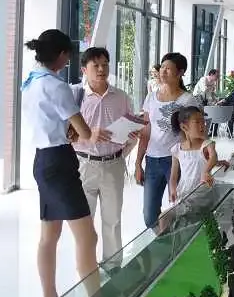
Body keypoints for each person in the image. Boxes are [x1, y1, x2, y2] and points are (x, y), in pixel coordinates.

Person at [22, 29, 108, 297]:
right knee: (87, 237)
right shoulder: (56, 86)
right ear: (61, 55)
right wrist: (94, 132)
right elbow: (84, 131)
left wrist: (71, 131)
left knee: (50, 235)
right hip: (59, 163)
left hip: (42, 161)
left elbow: (52, 123)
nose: (68, 60)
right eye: (68, 55)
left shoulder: (31, 81)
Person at [72, 47, 139, 274]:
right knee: (84, 221)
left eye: (105, 64)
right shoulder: (76, 97)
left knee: (113, 219)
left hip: (113, 164)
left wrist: (123, 149)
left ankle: (112, 265)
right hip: (83, 165)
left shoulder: (121, 97)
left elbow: (131, 129)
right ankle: (87, 267)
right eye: (96, 65)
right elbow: (66, 134)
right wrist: (88, 135)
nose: (101, 69)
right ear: (84, 69)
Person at [135, 53, 201, 228]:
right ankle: (164, 240)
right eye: (162, 67)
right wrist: (138, 163)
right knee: (149, 216)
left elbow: (197, 131)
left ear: (180, 72)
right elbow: (146, 130)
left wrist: (209, 155)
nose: (163, 71)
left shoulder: (187, 100)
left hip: (176, 161)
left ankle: (177, 241)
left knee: (181, 208)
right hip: (152, 160)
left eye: (168, 68)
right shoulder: (151, 97)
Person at [168, 106, 224, 205]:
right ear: (184, 127)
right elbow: (173, 176)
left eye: (203, 122)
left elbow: (213, 157)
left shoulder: (207, 144)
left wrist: (206, 172)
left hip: (204, 192)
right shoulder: (177, 149)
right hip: (185, 193)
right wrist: (172, 190)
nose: (202, 125)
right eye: (197, 122)